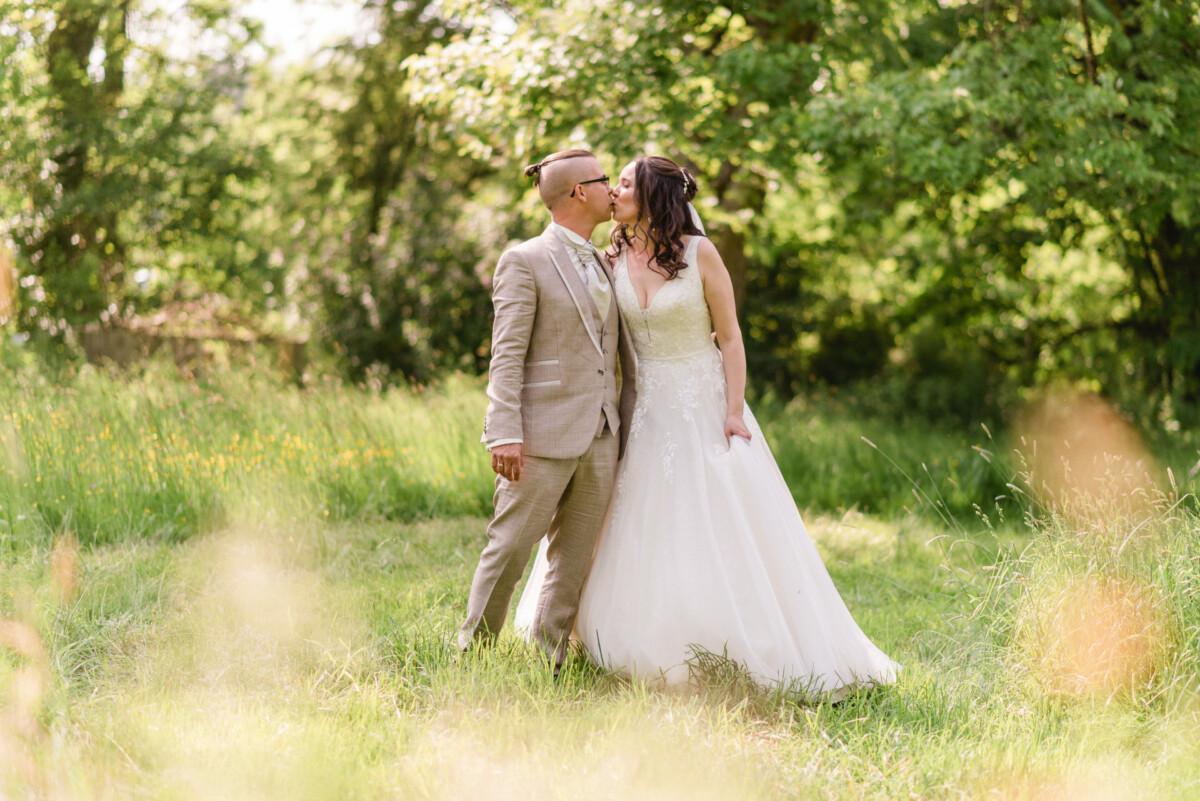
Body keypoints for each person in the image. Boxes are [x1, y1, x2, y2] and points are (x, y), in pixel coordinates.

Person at [516, 156, 899, 695]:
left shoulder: (701, 254)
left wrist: (734, 410)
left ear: (653, 195)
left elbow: (731, 337)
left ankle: (722, 643)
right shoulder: (611, 255)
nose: (614, 191)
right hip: (638, 407)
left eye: (624, 183)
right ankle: (589, 637)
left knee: (708, 516)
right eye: (613, 182)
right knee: (622, 516)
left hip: (701, 401)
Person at [459, 149, 638, 672]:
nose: (613, 189)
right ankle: (473, 652)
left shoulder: (607, 260)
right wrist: (503, 432)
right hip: (539, 433)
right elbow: (506, 354)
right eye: (605, 180)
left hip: (601, 432)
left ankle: (549, 658)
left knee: (574, 557)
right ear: (580, 191)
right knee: (511, 547)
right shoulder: (524, 260)